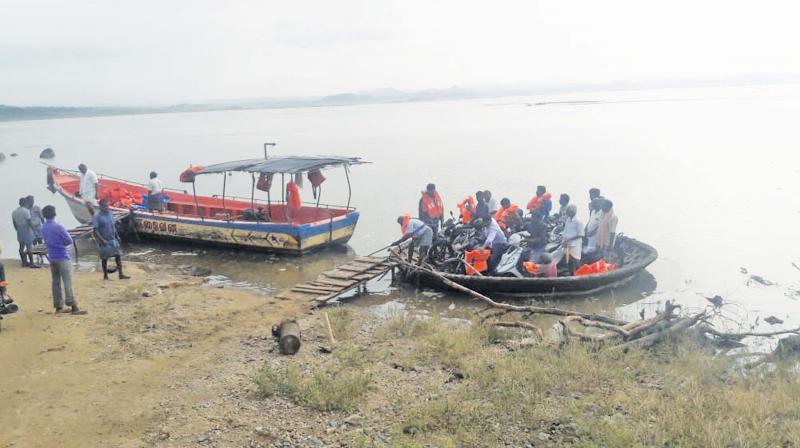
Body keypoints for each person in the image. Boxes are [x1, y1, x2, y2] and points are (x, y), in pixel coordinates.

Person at [41, 205, 86, 314]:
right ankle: (73, 306)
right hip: (62, 256)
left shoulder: (43, 227)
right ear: (54, 214)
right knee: (67, 281)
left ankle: (58, 307)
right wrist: (62, 244)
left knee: (56, 282)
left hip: (52, 256)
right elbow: (69, 240)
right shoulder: (58, 227)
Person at [92, 199, 130, 280]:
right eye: (105, 206)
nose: (107, 207)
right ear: (101, 207)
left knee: (118, 256)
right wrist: (102, 240)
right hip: (104, 241)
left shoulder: (110, 213)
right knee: (104, 259)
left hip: (113, 239)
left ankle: (121, 274)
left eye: (108, 206)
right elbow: (95, 230)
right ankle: (105, 276)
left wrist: (117, 236)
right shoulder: (97, 216)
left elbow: (113, 226)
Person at [12, 197, 37, 268]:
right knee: (29, 247)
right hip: (26, 229)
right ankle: (32, 263)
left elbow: (14, 223)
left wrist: (17, 229)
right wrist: (34, 230)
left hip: (19, 229)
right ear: (25, 203)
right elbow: (29, 222)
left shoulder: (14, 212)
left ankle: (24, 262)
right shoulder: (26, 211)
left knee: (21, 247)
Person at [561, 205, 584, 275]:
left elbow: (581, 234)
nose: (567, 213)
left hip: (575, 244)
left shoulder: (578, 221)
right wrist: (563, 241)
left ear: (572, 212)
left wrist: (569, 239)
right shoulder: (568, 219)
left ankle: (580, 274)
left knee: (576, 260)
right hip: (567, 243)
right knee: (569, 260)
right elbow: (565, 230)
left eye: (568, 212)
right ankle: (572, 274)